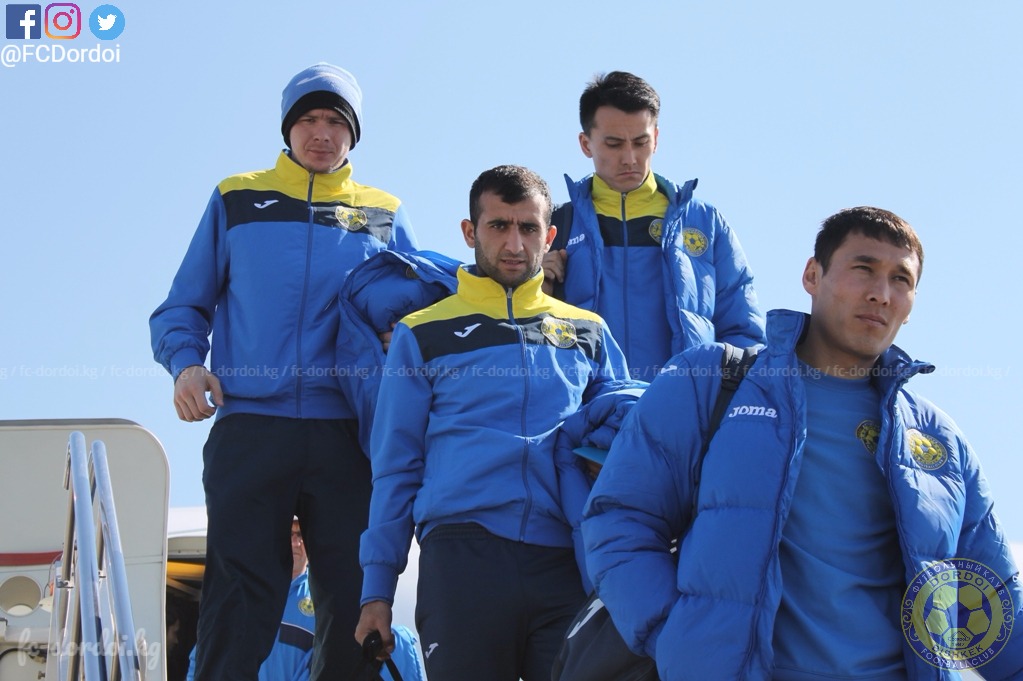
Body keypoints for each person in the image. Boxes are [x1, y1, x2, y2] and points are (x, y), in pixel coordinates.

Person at [581, 207, 1023, 679]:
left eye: (901, 279)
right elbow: (621, 519)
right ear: (812, 275)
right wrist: (681, 641)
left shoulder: (937, 439)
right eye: (863, 268)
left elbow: (993, 598)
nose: (881, 293)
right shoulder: (711, 380)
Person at [149, 62, 417, 681]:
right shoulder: (236, 198)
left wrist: (398, 338)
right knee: (238, 600)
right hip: (251, 426)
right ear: (287, 128)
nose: (321, 133)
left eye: (336, 122)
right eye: (308, 120)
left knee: (354, 603)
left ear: (354, 133)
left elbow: (416, 308)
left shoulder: (383, 213)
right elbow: (182, 306)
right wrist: (186, 366)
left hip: (348, 435)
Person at [354, 165, 635, 681]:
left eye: (528, 228)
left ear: (549, 236)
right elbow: (395, 469)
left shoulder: (589, 333)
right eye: (498, 225)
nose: (514, 243)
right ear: (470, 232)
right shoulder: (422, 333)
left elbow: (628, 448)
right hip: (463, 556)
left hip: (568, 562)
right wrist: (377, 592)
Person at [543, 70, 765, 381]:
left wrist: (720, 399)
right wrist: (531, 285)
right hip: (586, 403)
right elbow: (511, 329)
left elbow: (743, 332)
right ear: (585, 143)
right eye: (614, 144)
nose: (630, 158)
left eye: (641, 142)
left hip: (684, 404)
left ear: (656, 138)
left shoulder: (704, 222)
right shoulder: (550, 227)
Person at [186, 520, 426, 681]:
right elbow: (205, 655)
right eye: (289, 534)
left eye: (301, 534)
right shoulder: (244, 596)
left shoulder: (329, 603)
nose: (295, 542)